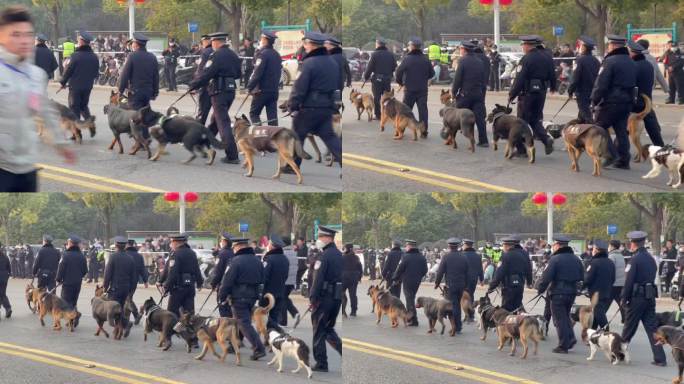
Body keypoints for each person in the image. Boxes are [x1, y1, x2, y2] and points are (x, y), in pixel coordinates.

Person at [0, 6, 74, 192]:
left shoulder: (36, 75)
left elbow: (46, 111)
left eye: (28, 34)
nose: (24, 40)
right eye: (15, 34)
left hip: (28, 167)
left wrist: (61, 143)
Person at [287, 32, 341, 170]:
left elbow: (299, 87)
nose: (304, 47)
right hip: (326, 106)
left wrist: (292, 105)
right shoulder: (332, 62)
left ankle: (293, 166)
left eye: (305, 44)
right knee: (330, 138)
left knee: (297, 136)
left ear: (311, 45)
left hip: (309, 107)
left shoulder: (308, 63)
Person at [189, 32, 242, 165]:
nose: (212, 44)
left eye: (212, 42)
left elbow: (207, 74)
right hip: (230, 91)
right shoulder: (233, 54)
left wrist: (193, 85)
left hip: (219, 92)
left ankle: (232, 155)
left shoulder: (216, 55)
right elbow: (238, 74)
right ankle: (205, 143)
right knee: (216, 121)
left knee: (223, 122)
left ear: (216, 42)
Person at [620, 231, 667, 367]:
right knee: (652, 328)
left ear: (633, 244)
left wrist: (624, 297)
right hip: (649, 296)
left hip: (637, 298)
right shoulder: (651, 258)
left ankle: (619, 354)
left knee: (629, 328)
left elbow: (629, 281)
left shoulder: (634, 259)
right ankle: (660, 358)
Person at [591, 35, 637, 170]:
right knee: (621, 130)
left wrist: (594, 99)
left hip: (612, 100)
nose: (608, 47)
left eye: (609, 45)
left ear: (613, 46)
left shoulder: (610, 61)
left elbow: (602, 84)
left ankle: (610, 154)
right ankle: (624, 160)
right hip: (627, 100)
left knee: (599, 127)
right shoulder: (631, 61)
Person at [218, 237, 266, 361]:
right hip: (252, 295)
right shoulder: (257, 260)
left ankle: (258, 348)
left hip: (239, 296)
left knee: (243, 323)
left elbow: (227, 281)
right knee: (240, 322)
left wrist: (221, 296)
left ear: (238, 246)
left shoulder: (235, 261)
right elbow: (262, 279)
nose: (233, 249)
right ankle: (236, 345)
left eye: (234, 247)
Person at [509, 35, 556, 156]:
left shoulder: (527, 59)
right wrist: (554, 87)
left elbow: (520, 79)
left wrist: (512, 94)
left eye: (523, 45)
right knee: (535, 119)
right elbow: (552, 72)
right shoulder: (547, 56)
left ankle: (521, 150)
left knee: (520, 122)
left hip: (527, 94)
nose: (522, 47)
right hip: (541, 93)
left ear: (527, 45)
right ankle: (546, 139)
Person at [537, 235, 584, 354]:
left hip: (558, 291)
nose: (552, 247)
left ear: (558, 245)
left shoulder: (555, 259)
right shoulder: (576, 259)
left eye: (553, 245)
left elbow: (546, 277)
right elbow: (582, 276)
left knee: (559, 319)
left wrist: (540, 289)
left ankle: (563, 345)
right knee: (565, 316)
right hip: (572, 291)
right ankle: (571, 339)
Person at [309, 225, 343, 372]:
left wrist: (313, 298)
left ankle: (321, 363)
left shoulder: (324, 256)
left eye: (320, 237)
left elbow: (318, 279)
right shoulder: (339, 255)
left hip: (324, 298)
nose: (318, 240)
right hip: (336, 297)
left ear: (327, 238)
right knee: (328, 329)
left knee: (319, 330)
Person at [628, 41, 665, 147]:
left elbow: (631, 83)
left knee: (626, 125)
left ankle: (616, 152)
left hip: (635, 100)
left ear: (633, 53)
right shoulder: (647, 64)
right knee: (651, 125)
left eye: (629, 52)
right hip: (646, 99)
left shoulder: (633, 65)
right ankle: (660, 147)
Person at [452, 41, 488, 147]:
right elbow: (484, 79)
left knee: (455, 115)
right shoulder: (479, 61)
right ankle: (483, 140)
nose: (460, 51)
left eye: (461, 49)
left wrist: (454, 92)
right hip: (478, 94)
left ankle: (449, 136)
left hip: (465, 94)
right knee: (480, 119)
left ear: (464, 50)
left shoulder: (462, 61)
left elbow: (457, 79)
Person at [395, 37, 433, 137]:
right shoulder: (425, 59)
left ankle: (401, 130)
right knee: (423, 111)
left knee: (405, 111)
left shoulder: (407, 59)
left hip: (409, 90)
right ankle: (424, 132)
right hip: (422, 90)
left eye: (409, 45)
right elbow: (431, 74)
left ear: (412, 47)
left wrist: (400, 82)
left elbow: (398, 72)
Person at [60, 31, 99, 124]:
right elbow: (96, 73)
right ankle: (90, 124)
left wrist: (63, 82)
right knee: (84, 106)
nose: (77, 41)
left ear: (81, 41)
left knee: (74, 108)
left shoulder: (75, 56)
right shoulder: (94, 57)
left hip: (75, 87)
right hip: (88, 86)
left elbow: (68, 71)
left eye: (78, 40)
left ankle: (76, 132)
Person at [161, 233, 203, 317]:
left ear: (176, 243)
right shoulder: (192, 253)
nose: (170, 244)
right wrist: (199, 283)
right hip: (190, 287)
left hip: (178, 288)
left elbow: (172, 273)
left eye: (171, 242)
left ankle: (174, 330)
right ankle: (188, 329)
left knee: (171, 314)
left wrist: (166, 287)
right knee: (189, 314)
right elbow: (197, 270)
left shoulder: (175, 254)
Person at [488, 236, 533, 312]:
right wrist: (529, 282)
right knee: (517, 308)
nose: (503, 247)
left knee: (506, 310)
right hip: (520, 285)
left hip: (508, 286)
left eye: (503, 245)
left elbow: (499, 273)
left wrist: (492, 286)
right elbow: (529, 269)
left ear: (507, 246)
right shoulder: (525, 254)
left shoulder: (506, 256)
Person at [434, 238, 469, 334]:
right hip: (461, 285)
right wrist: (466, 285)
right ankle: (458, 326)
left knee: (453, 306)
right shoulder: (463, 257)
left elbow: (440, 272)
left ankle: (456, 327)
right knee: (457, 304)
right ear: (457, 246)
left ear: (449, 246)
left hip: (450, 286)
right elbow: (467, 272)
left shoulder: (446, 257)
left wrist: (437, 283)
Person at [247, 31, 282, 126]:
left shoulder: (262, 54)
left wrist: (250, 87)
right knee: (272, 118)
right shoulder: (277, 55)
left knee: (254, 114)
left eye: (262, 39)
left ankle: (260, 136)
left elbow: (257, 73)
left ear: (265, 40)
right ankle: (275, 137)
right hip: (274, 91)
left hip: (261, 91)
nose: (260, 41)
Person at [118, 32, 159, 111]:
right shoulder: (152, 57)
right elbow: (156, 77)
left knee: (135, 117)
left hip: (135, 93)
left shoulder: (132, 56)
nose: (132, 44)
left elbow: (125, 76)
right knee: (145, 114)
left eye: (133, 42)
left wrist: (120, 91)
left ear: (136, 44)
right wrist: (155, 92)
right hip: (148, 92)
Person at [103, 236, 137, 331]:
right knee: (120, 308)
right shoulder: (130, 258)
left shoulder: (113, 257)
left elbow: (107, 274)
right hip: (126, 288)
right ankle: (119, 328)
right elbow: (134, 277)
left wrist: (105, 287)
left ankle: (125, 323)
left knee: (113, 309)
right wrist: (131, 291)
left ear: (116, 246)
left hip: (115, 288)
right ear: (125, 246)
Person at [393, 239, 428, 326]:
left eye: (406, 246)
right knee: (411, 297)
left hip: (407, 281)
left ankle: (413, 320)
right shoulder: (421, 257)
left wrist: (395, 278)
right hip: (417, 281)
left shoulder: (406, 256)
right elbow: (425, 270)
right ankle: (412, 319)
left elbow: (400, 269)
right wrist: (419, 276)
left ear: (409, 246)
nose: (405, 247)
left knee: (409, 300)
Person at [584, 239, 615, 330]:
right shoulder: (610, 263)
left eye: (593, 249)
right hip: (607, 292)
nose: (592, 251)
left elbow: (588, 279)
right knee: (598, 312)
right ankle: (592, 332)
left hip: (596, 293)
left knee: (599, 313)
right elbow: (613, 278)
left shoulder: (594, 263)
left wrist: (581, 287)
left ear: (597, 250)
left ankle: (607, 332)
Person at [568, 36, 600, 123]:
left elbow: (575, 78)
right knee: (582, 118)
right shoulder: (596, 61)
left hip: (582, 93)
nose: (580, 47)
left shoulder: (580, 60)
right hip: (593, 91)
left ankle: (595, 133)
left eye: (581, 45)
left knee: (587, 117)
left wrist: (570, 91)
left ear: (584, 47)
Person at [363, 37, 396, 120]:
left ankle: (378, 115)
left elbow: (370, 67)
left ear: (378, 44)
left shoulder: (374, 54)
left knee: (377, 97)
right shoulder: (390, 54)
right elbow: (394, 66)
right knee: (387, 97)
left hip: (377, 79)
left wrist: (366, 76)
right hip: (387, 79)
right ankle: (388, 113)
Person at [262, 234, 289, 332]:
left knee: (263, 316)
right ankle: (272, 338)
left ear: (272, 246)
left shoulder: (269, 259)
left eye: (268, 243)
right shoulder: (285, 259)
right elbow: (286, 276)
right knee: (274, 316)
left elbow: (264, 277)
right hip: (280, 291)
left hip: (268, 293)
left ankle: (276, 331)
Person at [56, 235, 88, 312]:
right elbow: (85, 271)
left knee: (65, 302)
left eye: (68, 242)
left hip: (67, 283)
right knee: (74, 301)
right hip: (77, 283)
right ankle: (73, 317)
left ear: (71, 243)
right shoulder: (82, 256)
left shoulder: (65, 255)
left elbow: (61, 269)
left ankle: (70, 318)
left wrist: (58, 279)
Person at [125, 239, 148, 325]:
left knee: (127, 299)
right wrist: (145, 280)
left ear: (127, 245)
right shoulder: (139, 256)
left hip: (124, 280)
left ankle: (133, 315)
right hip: (134, 281)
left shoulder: (124, 254)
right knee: (129, 298)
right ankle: (132, 316)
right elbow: (142, 269)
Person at [211, 232, 234, 317]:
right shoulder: (233, 252)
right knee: (232, 311)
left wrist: (213, 284)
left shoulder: (222, 253)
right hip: (233, 286)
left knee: (223, 309)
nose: (220, 242)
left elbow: (218, 271)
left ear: (225, 242)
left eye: (221, 240)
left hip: (223, 285)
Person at [194, 35, 213, 125]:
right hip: (217, 87)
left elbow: (200, 70)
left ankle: (199, 132)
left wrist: (195, 85)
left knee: (203, 111)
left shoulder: (206, 52)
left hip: (205, 86)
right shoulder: (217, 51)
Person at [462, 238, 483, 319]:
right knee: (470, 295)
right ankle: (471, 315)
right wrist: (481, 279)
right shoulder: (477, 256)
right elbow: (480, 268)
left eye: (463, 245)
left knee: (464, 297)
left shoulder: (462, 254)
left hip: (464, 279)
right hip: (473, 279)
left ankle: (467, 314)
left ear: (466, 245)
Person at [282, 236, 300, 326]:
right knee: (285, 298)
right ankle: (295, 313)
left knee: (282, 299)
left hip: (284, 280)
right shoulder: (293, 253)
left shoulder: (283, 253)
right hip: (291, 281)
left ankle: (283, 321)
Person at [607, 240, 626, 323]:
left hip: (613, 283)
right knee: (620, 302)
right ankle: (625, 319)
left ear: (612, 246)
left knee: (605, 304)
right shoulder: (621, 256)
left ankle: (599, 319)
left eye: (609, 245)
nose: (608, 247)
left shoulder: (611, 256)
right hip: (621, 283)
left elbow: (609, 270)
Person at [342, 243, 363, 317]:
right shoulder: (356, 257)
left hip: (344, 278)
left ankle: (343, 310)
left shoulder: (342, 257)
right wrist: (359, 277)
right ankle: (353, 311)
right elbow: (360, 268)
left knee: (341, 294)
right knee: (353, 295)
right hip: (354, 278)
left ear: (347, 249)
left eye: (344, 248)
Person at [660, 40, 684, 105]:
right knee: (671, 87)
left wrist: (673, 67)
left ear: (677, 46)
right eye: (672, 46)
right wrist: (668, 67)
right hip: (670, 73)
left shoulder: (681, 53)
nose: (673, 47)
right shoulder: (667, 53)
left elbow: (681, 62)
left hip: (679, 72)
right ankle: (671, 99)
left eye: (674, 46)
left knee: (680, 87)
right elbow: (664, 61)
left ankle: (681, 99)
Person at [0, 243, 11, 318]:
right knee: (3, 294)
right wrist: (7, 276)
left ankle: (7, 308)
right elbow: (9, 268)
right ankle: (8, 308)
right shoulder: (4, 256)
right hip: (4, 278)